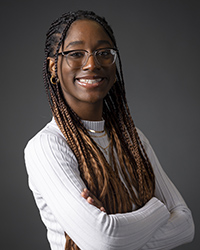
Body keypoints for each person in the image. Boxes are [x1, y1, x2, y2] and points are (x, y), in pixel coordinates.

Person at [24, 10, 195, 250]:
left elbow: (186, 224)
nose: (92, 63)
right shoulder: (47, 146)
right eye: (75, 54)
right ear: (54, 67)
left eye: (104, 53)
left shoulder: (134, 140)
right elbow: (103, 240)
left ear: (114, 67)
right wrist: (157, 208)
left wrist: (118, 225)